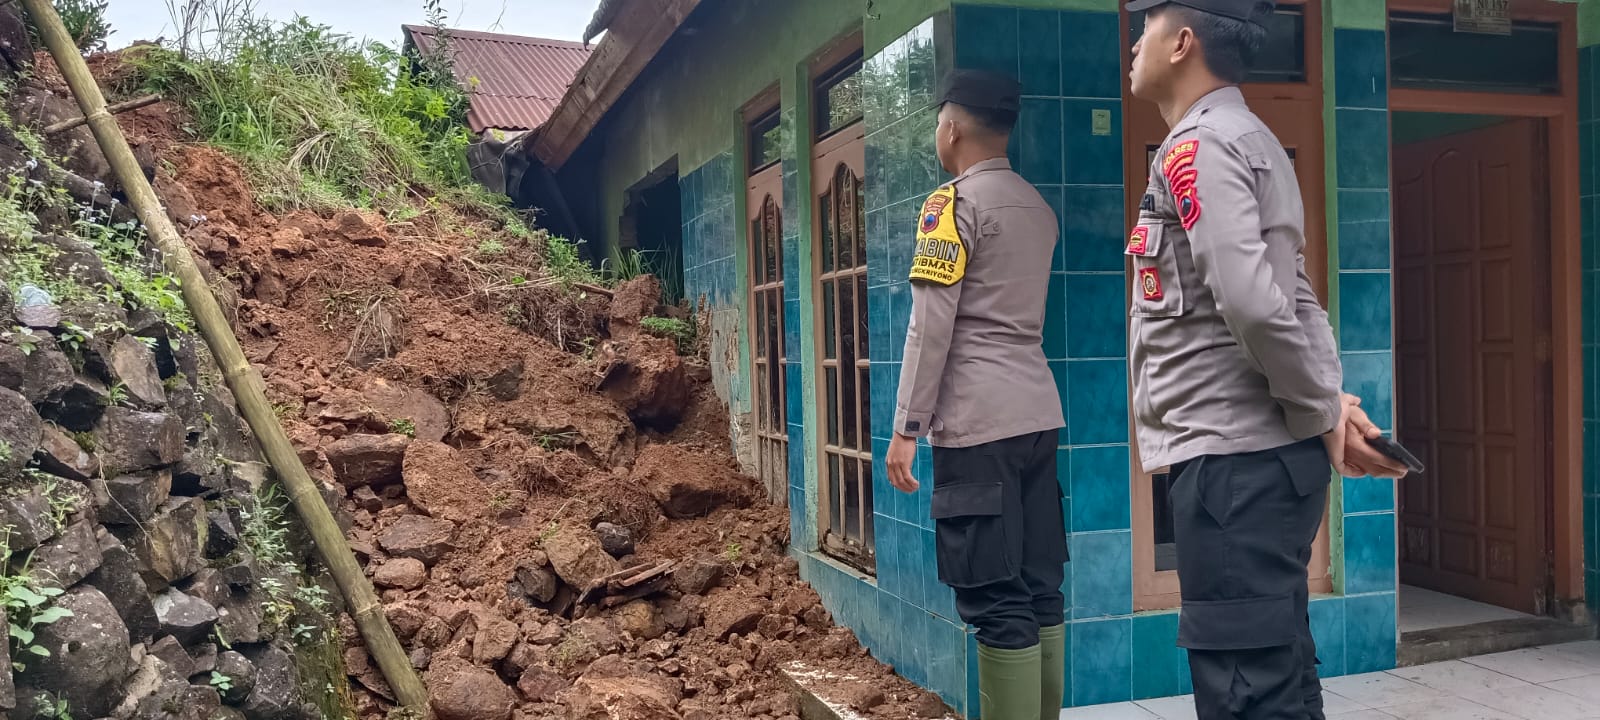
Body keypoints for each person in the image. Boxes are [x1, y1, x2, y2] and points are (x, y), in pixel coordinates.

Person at [1123, 0, 1408, 717]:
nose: (1133, 42)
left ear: (1183, 41)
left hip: (1233, 471)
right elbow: (1297, 296)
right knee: (1279, 677)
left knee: (1246, 693)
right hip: (1255, 465)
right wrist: (1330, 404)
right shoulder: (1252, 139)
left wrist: (1320, 409)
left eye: (1146, 25)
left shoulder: (1201, 147)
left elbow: (1254, 302)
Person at [884, 69, 1068, 720]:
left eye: (937, 123)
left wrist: (908, 426)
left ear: (952, 128)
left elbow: (930, 325)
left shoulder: (951, 206)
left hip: (977, 425)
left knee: (995, 597)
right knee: (1040, 587)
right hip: (1038, 414)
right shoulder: (1036, 207)